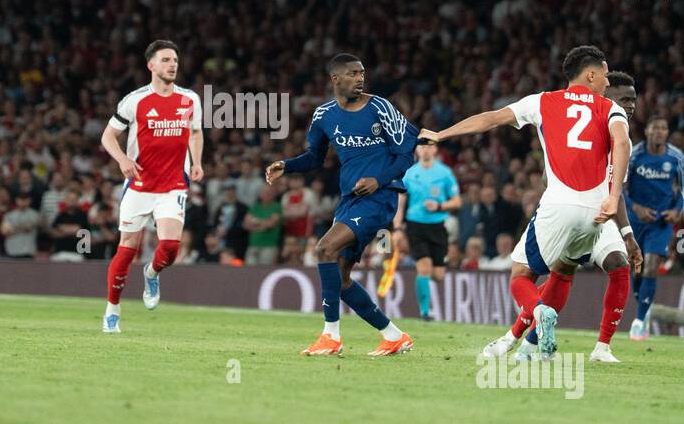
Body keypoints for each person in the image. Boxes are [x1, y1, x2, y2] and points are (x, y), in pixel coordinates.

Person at [421, 45, 632, 363]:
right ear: (590, 73)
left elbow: (491, 119)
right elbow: (622, 142)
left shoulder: (542, 101)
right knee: (563, 270)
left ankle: (540, 313)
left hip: (559, 203)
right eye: (604, 73)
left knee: (520, 275)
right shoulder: (610, 109)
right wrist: (614, 197)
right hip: (597, 213)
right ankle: (531, 346)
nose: (606, 80)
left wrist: (441, 134)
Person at [266, 53, 417, 357]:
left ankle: (330, 336)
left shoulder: (380, 107)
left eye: (362, 72)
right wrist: (288, 165)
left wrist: (379, 179)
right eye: (352, 73)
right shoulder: (323, 115)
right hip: (349, 199)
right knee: (341, 276)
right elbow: (315, 157)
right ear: (336, 79)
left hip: (380, 197)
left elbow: (406, 153)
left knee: (324, 249)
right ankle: (393, 335)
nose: (360, 78)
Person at [98, 39, 204, 332]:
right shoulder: (135, 100)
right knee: (127, 248)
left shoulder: (190, 99)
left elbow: (195, 133)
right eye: (166, 60)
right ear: (151, 65)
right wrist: (121, 159)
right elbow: (108, 136)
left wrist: (196, 162)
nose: (173, 65)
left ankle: (152, 272)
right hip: (140, 186)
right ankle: (113, 309)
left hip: (172, 186)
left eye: (175, 60)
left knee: (170, 248)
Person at [626, 115, 684, 341]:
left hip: (661, 222)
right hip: (635, 221)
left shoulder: (676, 157)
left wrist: (677, 210)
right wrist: (635, 207)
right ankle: (644, 306)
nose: (660, 132)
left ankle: (640, 321)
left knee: (651, 266)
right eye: (655, 127)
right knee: (637, 268)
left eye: (664, 128)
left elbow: (683, 190)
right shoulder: (633, 155)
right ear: (647, 131)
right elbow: (620, 188)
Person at [393, 142, 460, 318]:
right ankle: (424, 312)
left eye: (429, 146)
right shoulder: (409, 173)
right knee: (424, 268)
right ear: (416, 149)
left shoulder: (444, 173)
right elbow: (400, 203)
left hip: (438, 226)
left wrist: (439, 206)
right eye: (422, 146)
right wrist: (398, 228)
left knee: (438, 275)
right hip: (415, 225)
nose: (425, 149)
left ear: (435, 149)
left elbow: (457, 201)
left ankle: (425, 280)